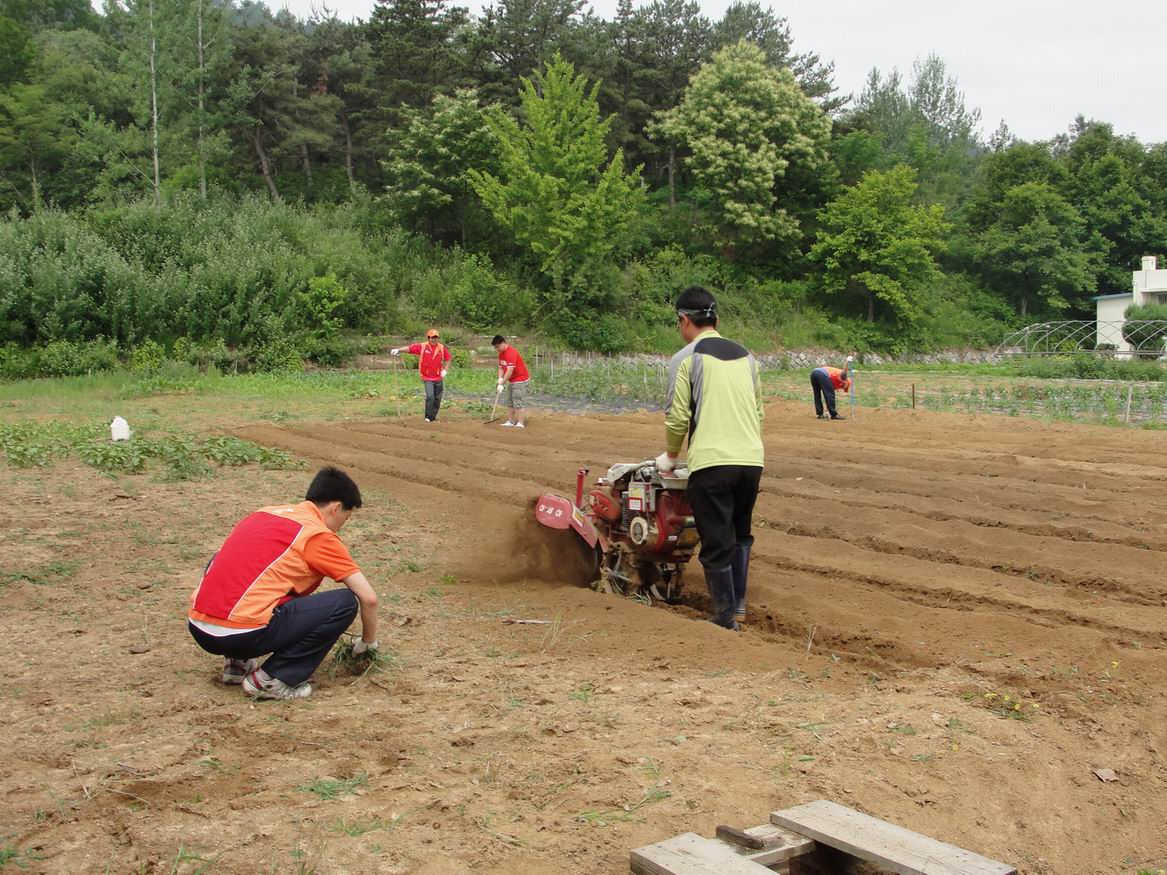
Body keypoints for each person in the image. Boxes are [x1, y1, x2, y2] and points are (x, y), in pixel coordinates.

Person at [187, 467, 379, 701]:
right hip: (241, 634)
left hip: (199, 627)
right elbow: (368, 598)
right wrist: (367, 643)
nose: (340, 527)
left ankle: (237, 664)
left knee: (258, 572)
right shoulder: (317, 535)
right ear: (336, 508)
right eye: (345, 519)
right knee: (344, 602)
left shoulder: (263, 514)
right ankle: (272, 679)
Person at [657, 286, 764, 630]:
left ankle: (723, 619)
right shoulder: (747, 357)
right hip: (751, 461)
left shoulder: (686, 358)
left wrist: (671, 455)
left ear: (684, 320)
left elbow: (677, 417)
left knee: (716, 540)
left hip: (712, 463)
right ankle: (738, 608)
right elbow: (758, 412)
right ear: (716, 319)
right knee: (740, 533)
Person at [391, 329, 451, 422]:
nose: (434, 340)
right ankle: (428, 417)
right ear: (428, 338)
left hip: (438, 377)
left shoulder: (441, 348)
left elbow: (448, 358)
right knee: (430, 396)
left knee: (437, 398)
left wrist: (445, 370)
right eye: (432, 338)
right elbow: (410, 349)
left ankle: (432, 417)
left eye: (436, 338)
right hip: (427, 377)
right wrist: (399, 350)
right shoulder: (422, 347)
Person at [492, 334, 530, 428]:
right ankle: (511, 421)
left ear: (503, 343)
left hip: (520, 379)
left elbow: (510, 371)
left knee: (518, 400)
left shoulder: (511, 353)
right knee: (509, 401)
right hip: (512, 380)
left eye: (498, 346)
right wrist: (500, 378)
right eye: (495, 347)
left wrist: (502, 384)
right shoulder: (501, 354)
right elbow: (501, 367)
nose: (497, 349)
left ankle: (520, 423)